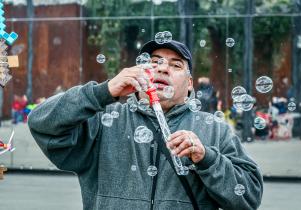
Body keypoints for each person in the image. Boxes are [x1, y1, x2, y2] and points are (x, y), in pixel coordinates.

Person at [28, 40, 263, 210]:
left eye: (176, 65)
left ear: (190, 83)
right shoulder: (104, 121)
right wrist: (102, 92)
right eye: (154, 62)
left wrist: (207, 158)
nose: (162, 68)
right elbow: (41, 122)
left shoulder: (214, 130)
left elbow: (249, 196)